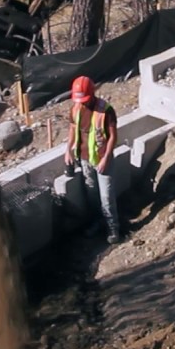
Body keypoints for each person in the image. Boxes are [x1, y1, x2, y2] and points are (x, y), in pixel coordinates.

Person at [63, 75, 124, 244]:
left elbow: (112, 136)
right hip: (84, 159)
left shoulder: (106, 110)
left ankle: (113, 228)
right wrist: (68, 150)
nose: (82, 103)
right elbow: (72, 130)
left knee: (106, 197)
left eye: (85, 99)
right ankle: (97, 222)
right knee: (92, 195)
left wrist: (106, 158)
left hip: (103, 159)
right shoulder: (76, 109)